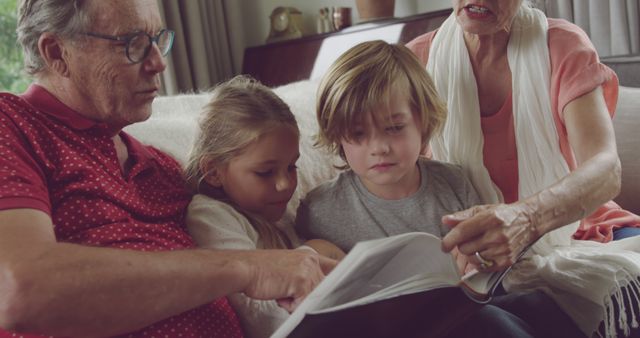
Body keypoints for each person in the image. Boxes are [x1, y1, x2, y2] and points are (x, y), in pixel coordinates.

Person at [0, 1, 334, 337]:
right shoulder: (13, 126)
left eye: (158, 40)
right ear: (57, 52)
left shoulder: (159, 166)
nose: (159, 62)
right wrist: (249, 268)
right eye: (132, 44)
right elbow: (18, 290)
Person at [297, 40, 585, 338]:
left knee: (537, 305)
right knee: (489, 324)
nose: (379, 148)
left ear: (422, 124)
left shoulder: (453, 182)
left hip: (463, 312)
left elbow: (486, 267)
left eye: (395, 128)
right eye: (358, 134)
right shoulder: (320, 209)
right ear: (337, 135)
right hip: (398, 329)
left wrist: (478, 262)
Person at [406, 1, 640, 336]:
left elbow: (605, 169)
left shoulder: (562, 46)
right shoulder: (416, 62)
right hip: (481, 256)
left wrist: (526, 219)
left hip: (586, 232)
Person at [183, 75, 344, 338]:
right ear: (213, 171)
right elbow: (254, 309)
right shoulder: (210, 215)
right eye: (265, 172)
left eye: (291, 167)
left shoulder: (279, 211)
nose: (284, 184)